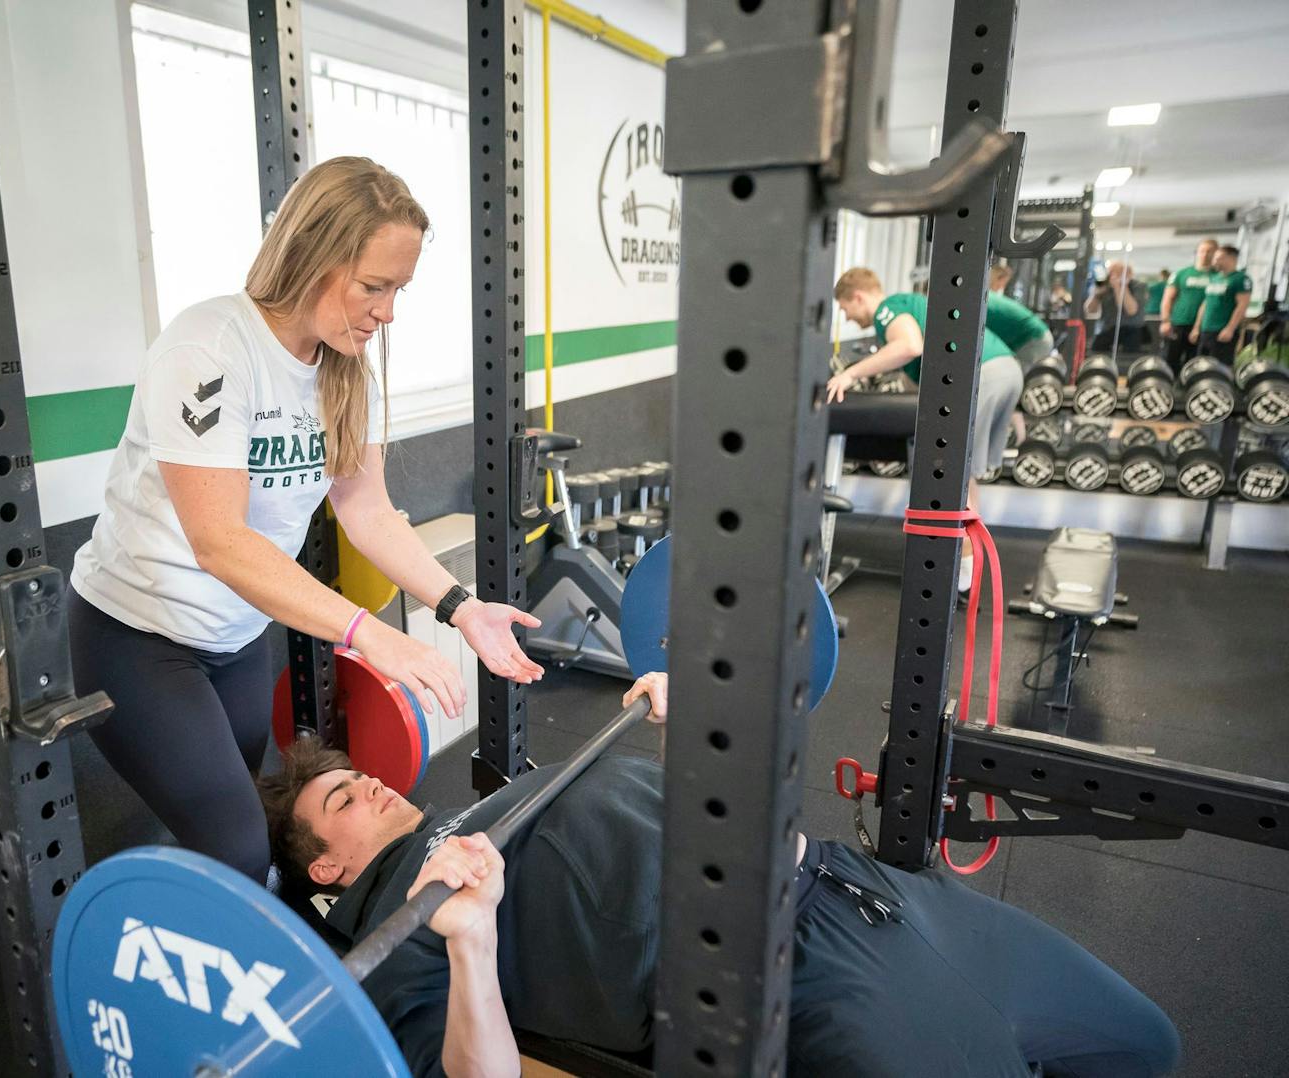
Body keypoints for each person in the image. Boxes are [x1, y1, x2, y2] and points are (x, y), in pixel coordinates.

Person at [258, 672, 1181, 1078]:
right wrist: (472, 942)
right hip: (790, 976)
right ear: (330, 869)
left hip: (865, 890)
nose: (369, 781)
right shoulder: (408, 928)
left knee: (1147, 1045)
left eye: (357, 771)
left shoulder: (504, 794)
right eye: (341, 797)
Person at [66, 157, 545, 884]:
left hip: (234, 639)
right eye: (374, 287)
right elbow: (220, 542)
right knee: (233, 844)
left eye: (398, 290)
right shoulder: (210, 350)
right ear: (313, 256)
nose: (388, 313)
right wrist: (374, 636)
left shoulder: (346, 370)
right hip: (136, 637)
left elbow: (366, 509)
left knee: (251, 830)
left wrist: (460, 607)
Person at [825, 267, 1022, 591]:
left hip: (984, 374)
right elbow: (918, 370)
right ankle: (966, 573)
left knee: (955, 475)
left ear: (858, 297)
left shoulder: (888, 309)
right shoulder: (912, 304)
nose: (847, 318)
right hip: (1005, 370)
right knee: (965, 476)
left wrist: (850, 374)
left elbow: (909, 346)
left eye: (845, 309)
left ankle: (958, 579)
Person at [1160, 238, 1217, 370]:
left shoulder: (1218, 276)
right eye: (1202, 251)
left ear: (1215, 254)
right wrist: (1165, 321)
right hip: (1179, 323)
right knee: (1170, 361)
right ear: (1197, 252)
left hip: (1205, 327)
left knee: (1195, 364)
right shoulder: (1182, 274)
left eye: (1209, 251)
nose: (1205, 254)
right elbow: (1168, 298)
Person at [1192, 244, 1253, 363]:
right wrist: (1196, 327)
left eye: (1218, 258)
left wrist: (1230, 329)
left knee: (1219, 368)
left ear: (1231, 258)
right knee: (1202, 364)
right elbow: (1206, 303)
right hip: (1206, 330)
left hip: (1222, 331)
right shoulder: (1214, 278)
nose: (1214, 261)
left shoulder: (1241, 279)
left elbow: (1242, 306)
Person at [984, 273, 1055, 370]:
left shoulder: (981, 307)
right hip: (1037, 335)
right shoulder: (985, 297)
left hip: (1034, 338)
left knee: (1014, 376)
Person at [1083, 260, 1146, 356]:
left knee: (1130, 352)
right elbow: (1089, 310)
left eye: (1117, 272)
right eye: (1110, 272)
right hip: (1107, 329)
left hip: (1131, 329)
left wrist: (1120, 287)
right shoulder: (1103, 286)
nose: (1112, 276)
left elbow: (1131, 310)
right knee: (1096, 349)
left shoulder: (1138, 286)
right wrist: (1096, 295)